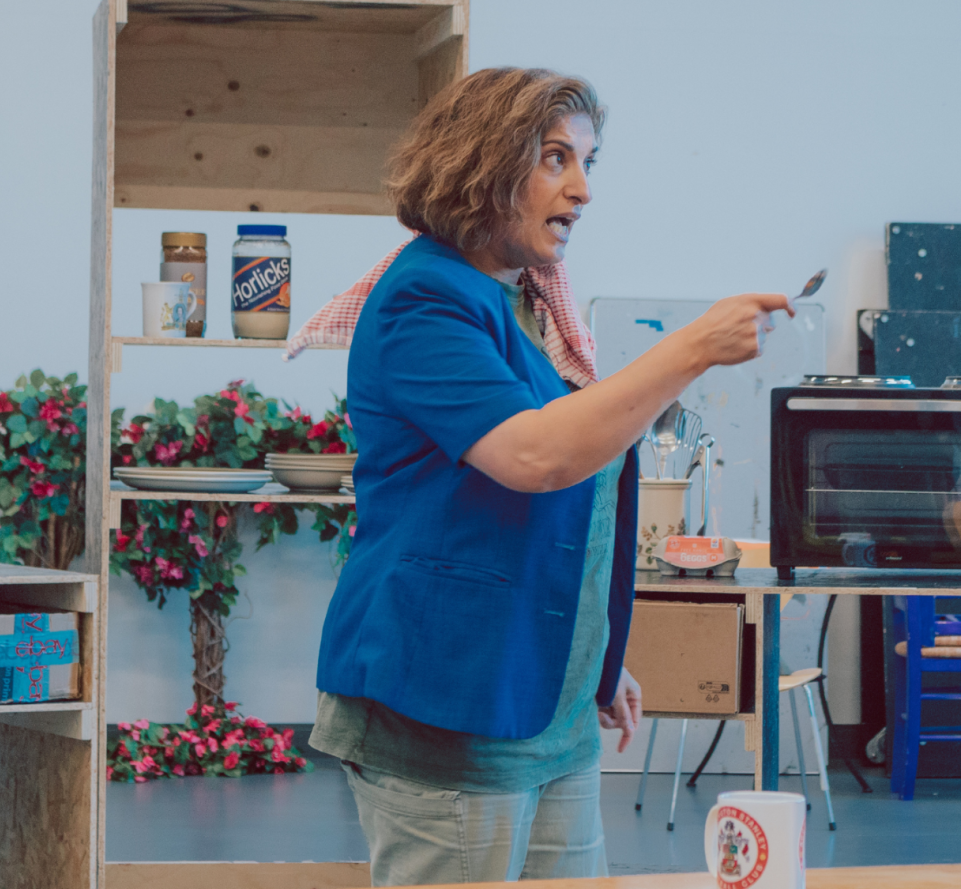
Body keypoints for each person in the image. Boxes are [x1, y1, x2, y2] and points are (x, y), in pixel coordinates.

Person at [309, 66, 791, 886]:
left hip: (545, 710)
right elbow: (536, 456)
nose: (582, 190)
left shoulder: (522, 302)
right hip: (449, 706)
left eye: (588, 164)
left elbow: (567, 495)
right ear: (483, 163)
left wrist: (594, 655)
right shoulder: (425, 300)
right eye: (555, 159)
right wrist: (691, 347)